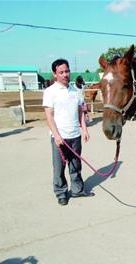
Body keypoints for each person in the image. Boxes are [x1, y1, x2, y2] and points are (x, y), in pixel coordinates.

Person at [42, 59, 94, 206]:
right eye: (61, 72)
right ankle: (61, 193)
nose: (65, 74)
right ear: (55, 74)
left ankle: (77, 190)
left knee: (76, 165)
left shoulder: (75, 91)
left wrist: (84, 129)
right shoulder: (50, 92)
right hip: (60, 137)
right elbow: (49, 116)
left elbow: (80, 112)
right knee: (59, 167)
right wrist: (56, 135)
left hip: (75, 135)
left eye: (67, 71)